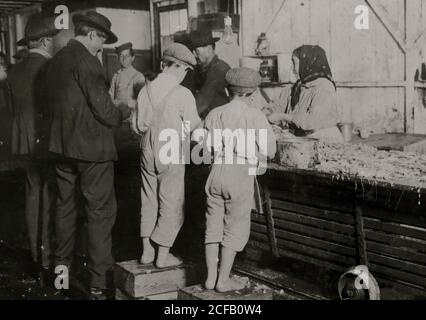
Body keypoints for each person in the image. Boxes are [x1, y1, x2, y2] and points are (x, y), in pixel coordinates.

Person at [46, 11, 131, 299]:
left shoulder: (56, 59)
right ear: (93, 34)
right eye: (101, 42)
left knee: (65, 208)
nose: (101, 48)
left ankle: (60, 275)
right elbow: (104, 110)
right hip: (92, 150)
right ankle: (98, 283)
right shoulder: (87, 61)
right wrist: (123, 113)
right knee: (100, 213)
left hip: (61, 148)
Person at [202, 67, 277, 292]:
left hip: (216, 172)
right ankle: (223, 281)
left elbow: (206, 148)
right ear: (253, 94)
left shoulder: (215, 113)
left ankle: (210, 277)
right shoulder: (255, 116)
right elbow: (270, 150)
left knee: (212, 226)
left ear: (227, 91)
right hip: (240, 174)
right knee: (234, 227)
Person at [132, 43, 201, 268]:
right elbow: (194, 129)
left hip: (146, 148)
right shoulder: (183, 94)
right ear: (182, 69)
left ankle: (146, 252)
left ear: (163, 65)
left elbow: (136, 125)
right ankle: (163, 256)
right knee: (171, 200)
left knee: (148, 199)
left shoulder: (145, 89)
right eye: (184, 71)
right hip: (170, 147)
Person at [7, 14, 59, 285]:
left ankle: (37, 258)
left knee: (32, 195)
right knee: (50, 197)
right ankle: (48, 259)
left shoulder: (14, 71)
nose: (53, 42)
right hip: (44, 143)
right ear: (44, 41)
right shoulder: (49, 69)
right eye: (51, 38)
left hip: (21, 143)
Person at [265, 45, 344, 143]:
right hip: (304, 140)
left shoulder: (324, 87)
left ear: (307, 64)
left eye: (295, 64)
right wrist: (267, 112)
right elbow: (278, 104)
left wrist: (283, 116)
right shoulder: (299, 86)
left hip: (323, 140)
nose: (292, 69)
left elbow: (312, 122)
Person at [189, 29, 230, 120]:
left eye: (196, 50)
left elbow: (201, 103)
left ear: (209, 48)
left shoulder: (218, 69)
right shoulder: (204, 68)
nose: (194, 54)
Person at [109, 42, 145, 109]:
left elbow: (142, 101)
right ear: (118, 58)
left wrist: (122, 103)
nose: (124, 59)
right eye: (121, 56)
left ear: (132, 58)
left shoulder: (138, 76)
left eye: (127, 56)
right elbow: (110, 97)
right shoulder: (116, 75)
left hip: (131, 115)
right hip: (117, 114)